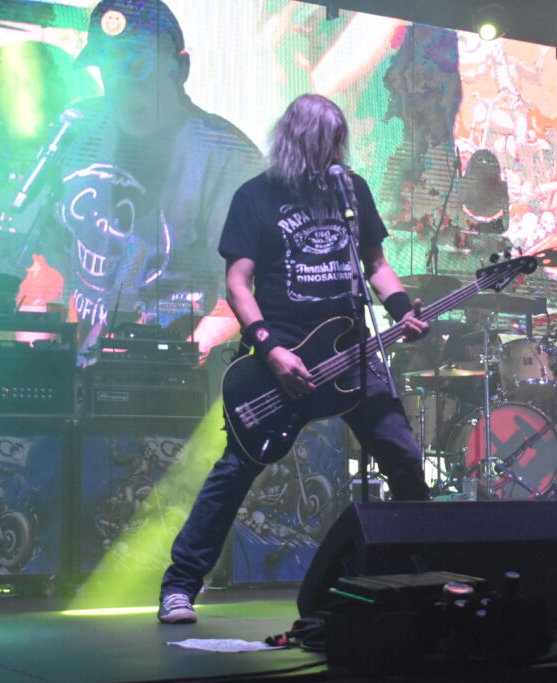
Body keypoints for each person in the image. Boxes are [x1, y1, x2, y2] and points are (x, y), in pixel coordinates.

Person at [157, 93, 431, 624]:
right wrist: (271, 349)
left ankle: (424, 576)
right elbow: (238, 283)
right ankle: (180, 585)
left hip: (351, 355)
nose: (329, 152)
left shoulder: (351, 191)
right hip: (279, 360)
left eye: (335, 142)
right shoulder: (255, 196)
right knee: (235, 472)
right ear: (294, 140)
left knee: (403, 459)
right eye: (319, 141)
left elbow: (375, 264)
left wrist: (401, 310)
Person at [11, 0, 262, 359]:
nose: (122, 86)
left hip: (172, 373)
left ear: (180, 68)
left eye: (138, 67)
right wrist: (35, 350)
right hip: (78, 366)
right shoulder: (79, 129)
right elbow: (45, 261)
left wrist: (173, 359)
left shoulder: (227, 157)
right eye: (109, 67)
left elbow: (241, 292)